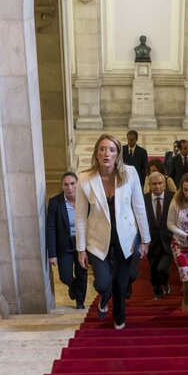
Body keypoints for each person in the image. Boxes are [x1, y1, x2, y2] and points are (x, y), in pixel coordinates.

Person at [76, 134, 150, 329]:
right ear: (96, 153)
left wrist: (145, 239)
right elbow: (80, 216)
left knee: (122, 281)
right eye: (102, 149)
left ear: (118, 153)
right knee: (103, 284)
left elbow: (139, 207)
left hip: (126, 235)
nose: (106, 153)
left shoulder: (130, 172)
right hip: (97, 237)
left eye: (111, 149)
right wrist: (81, 249)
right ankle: (104, 297)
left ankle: (119, 318)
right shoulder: (84, 178)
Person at [46, 172, 87, 309]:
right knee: (65, 276)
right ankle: (73, 287)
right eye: (66, 184)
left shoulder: (86, 199)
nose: (69, 187)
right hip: (64, 245)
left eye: (72, 184)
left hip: (83, 244)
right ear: (62, 186)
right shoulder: (55, 202)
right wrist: (52, 254)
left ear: (77, 184)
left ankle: (80, 303)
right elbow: (50, 228)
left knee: (82, 273)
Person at [167, 173, 188, 311]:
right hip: (180, 244)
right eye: (185, 189)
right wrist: (186, 235)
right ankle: (186, 300)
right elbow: (170, 224)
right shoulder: (176, 202)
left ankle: (186, 286)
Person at [144, 172, 175, 300]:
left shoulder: (173, 197)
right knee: (154, 269)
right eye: (154, 184)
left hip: (168, 240)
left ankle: (165, 283)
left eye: (160, 183)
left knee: (163, 268)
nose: (157, 186)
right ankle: (157, 291)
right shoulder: (143, 199)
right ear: (150, 185)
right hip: (152, 241)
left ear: (164, 184)